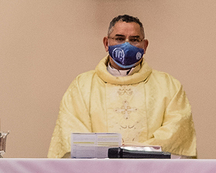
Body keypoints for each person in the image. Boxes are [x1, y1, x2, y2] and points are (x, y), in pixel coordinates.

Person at [47, 14, 196, 158]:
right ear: (106, 43)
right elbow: (72, 132)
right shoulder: (82, 86)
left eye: (134, 40)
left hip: (150, 171)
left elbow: (176, 131)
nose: (127, 45)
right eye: (119, 38)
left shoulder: (168, 86)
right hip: (98, 172)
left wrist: (135, 153)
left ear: (145, 46)